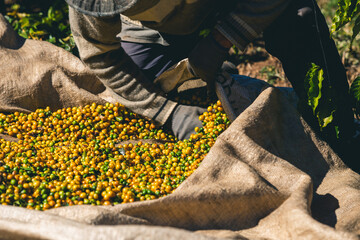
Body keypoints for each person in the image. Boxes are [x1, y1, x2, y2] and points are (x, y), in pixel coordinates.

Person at [66, 0, 356, 158]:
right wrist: (168, 113)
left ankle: (341, 129)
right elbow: (99, 55)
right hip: (157, 28)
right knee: (154, 86)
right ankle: (221, 77)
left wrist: (222, 40)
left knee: (299, 18)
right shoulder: (91, 6)